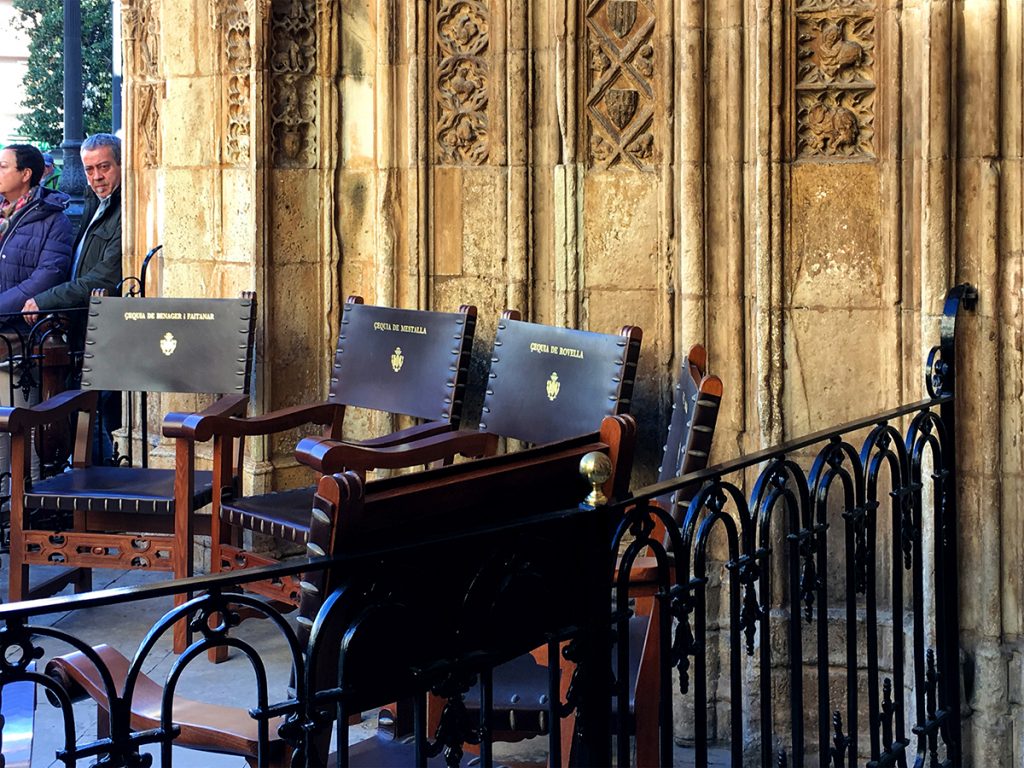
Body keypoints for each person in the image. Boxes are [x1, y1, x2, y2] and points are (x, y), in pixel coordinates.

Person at [23, 133, 123, 463]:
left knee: (102, 424)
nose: (96, 177)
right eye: (90, 168)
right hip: (88, 328)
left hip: (113, 332)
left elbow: (106, 275)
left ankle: (104, 504)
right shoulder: (96, 200)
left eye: (104, 167)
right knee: (90, 420)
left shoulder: (126, 208)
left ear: (121, 164)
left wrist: (46, 299)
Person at [0, 143, 73, 490]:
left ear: (25, 174)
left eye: (3, 167)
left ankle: (22, 503)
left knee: (17, 424)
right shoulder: (2, 214)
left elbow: (46, 276)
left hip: (19, 339)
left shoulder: (53, 219)